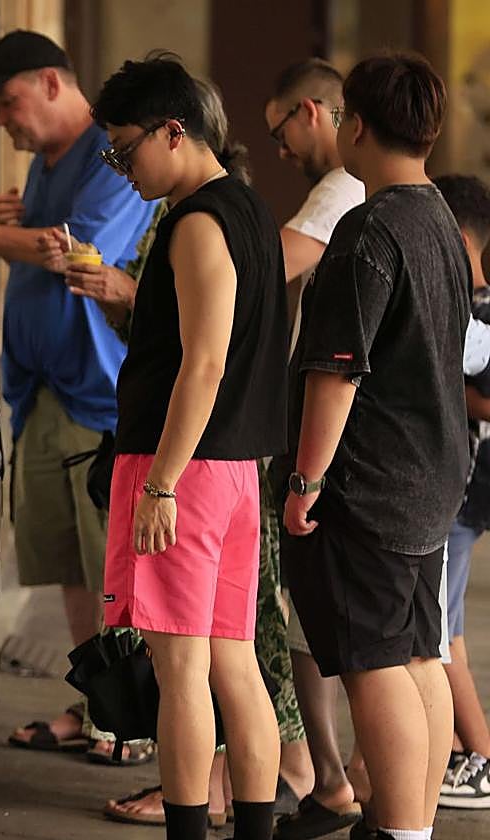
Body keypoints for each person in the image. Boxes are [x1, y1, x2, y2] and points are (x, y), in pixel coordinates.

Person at [60, 77, 303, 829]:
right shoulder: (251, 213)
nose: (118, 166)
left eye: (124, 148)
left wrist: (159, 484)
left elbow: (204, 362)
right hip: (232, 470)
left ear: (173, 131)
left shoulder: (197, 222)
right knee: (235, 665)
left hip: (184, 471)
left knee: (183, 673)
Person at [0, 30, 157, 762]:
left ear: (53, 82)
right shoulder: (47, 168)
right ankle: (99, 708)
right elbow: (47, 233)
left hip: (100, 398)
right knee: (69, 571)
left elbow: (75, 248)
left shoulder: (112, 158)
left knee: (114, 572)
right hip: (41, 396)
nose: (2, 121)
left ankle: (137, 723)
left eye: (9, 100)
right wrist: (12, 224)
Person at [282, 53, 469, 840]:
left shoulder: (370, 228)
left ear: (355, 124)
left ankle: (396, 829)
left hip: (370, 481)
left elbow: (335, 374)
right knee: (420, 655)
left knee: (373, 663)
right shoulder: (440, 222)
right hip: (433, 474)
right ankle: (410, 827)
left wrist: (304, 480)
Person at [260, 58, 367, 840]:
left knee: (326, 624)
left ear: (314, 112)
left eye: (280, 132)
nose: (280, 148)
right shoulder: (370, 198)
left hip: (330, 446)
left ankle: (331, 777)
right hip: (334, 443)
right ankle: (333, 777)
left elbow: (269, 265)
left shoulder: (344, 195)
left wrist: (303, 474)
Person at [434, 173, 490, 810]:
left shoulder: (477, 308)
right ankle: (456, 748)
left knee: (439, 630)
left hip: (466, 490)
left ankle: (476, 756)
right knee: (445, 627)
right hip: (463, 488)